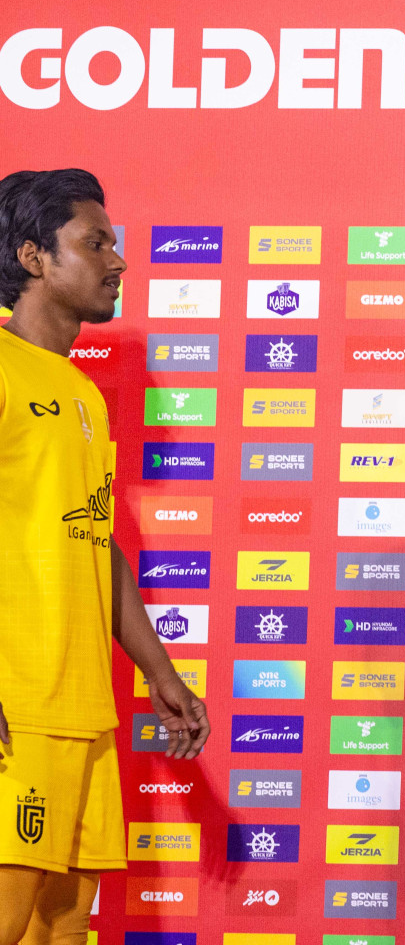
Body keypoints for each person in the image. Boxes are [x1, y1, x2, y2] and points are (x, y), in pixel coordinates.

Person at [0, 169, 210, 945]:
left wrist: (160, 674)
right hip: (17, 711)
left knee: (61, 930)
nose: (118, 261)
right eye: (96, 244)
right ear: (33, 257)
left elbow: (95, 537)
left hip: (84, 712)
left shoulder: (82, 394)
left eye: (115, 244)